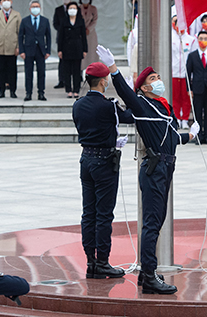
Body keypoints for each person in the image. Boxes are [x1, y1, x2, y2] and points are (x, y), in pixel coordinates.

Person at [97, 45, 199, 294]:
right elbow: (124, 92)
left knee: (158, 220)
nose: (159, 81)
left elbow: (171, 137)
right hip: (155, 168)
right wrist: (113, 69)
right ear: (143, 88)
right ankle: (151, 276)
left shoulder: (163, 106)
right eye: (153, 79)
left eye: (158, 77)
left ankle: (146, 273)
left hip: (166, 166)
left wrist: (189, 135)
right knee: (152, 224)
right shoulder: (142, 103)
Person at [73, 62, 134, 279]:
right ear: (103, 81)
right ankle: (103, 261)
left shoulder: (78, 104)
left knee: (88, 213)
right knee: (104, 214)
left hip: (86, 159)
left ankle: (90, 260)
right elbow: (130, 116)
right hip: (104, 161)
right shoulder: (108, 106)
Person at [186, 31, 207, 145]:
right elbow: (188, 73)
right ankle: (198, 135)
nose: (203, 41)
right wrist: (189, 89)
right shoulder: (192, 56)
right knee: (198, 113)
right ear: (197, 40)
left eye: (205, 38)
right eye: (201, 38)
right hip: (197, 88)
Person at [0, 0, 22, 99]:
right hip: (0, 47)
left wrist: (18, 46)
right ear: (1, 2)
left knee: (12, 70)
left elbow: (20, 32)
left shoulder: (16, 15)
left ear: (11, 2)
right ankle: (1, 91)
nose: (6, 2)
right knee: (1, 71)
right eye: (4, 0)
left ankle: (13, 90)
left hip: (12, 48)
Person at [18, 0, 51, 101]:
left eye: (37, 6)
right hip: (28, 50)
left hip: (40, 50)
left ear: (40, 8)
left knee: (41, 73)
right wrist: (21, 51)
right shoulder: (25, 21)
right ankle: (28, 93)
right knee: (28, 73)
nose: (35, 8)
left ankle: (41, 93)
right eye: (33, 6)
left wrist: (48, 51)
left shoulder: (45, 21)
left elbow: (48, 37)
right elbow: (20, 36)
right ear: (30, 9)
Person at [53, 0, 83, 89]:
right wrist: (63, 30)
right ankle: (62, 80)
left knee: (76, 64)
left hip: (75, 42)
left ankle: (77, 82)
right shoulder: (58, 10)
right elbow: (55, 23)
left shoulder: (76, 10)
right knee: (63, 63)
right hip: (63, 39)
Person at [171, 16, 196, 128]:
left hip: (186, 73)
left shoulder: (191, 40)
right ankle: (177, 117)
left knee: (186, 97)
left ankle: (185, 119)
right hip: (174, 72)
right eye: (178, 25)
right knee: (175, 97)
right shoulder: (170, 39)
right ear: (174, 26)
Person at [58, 1, 88, 98]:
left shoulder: (80, 21)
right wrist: (60, 50)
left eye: (74, 8)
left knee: (76, 71)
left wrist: (85, 49)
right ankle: (68, 90)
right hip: (66, 48)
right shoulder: (64, 21)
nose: (72, 10)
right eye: (70, 8)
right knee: (67, 71)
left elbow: (84, 36)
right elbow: (60, 37)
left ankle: (76, 90)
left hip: (77, 48)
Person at [79, 0, 99, 70]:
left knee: (92, 52)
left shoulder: (93, 9)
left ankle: (93, 69)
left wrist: (88, 29)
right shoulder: (78, 8)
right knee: (81, 52)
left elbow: (95, 20)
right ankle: (80, 70)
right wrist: (82, 29)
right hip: (80, 33)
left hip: (91, 34)